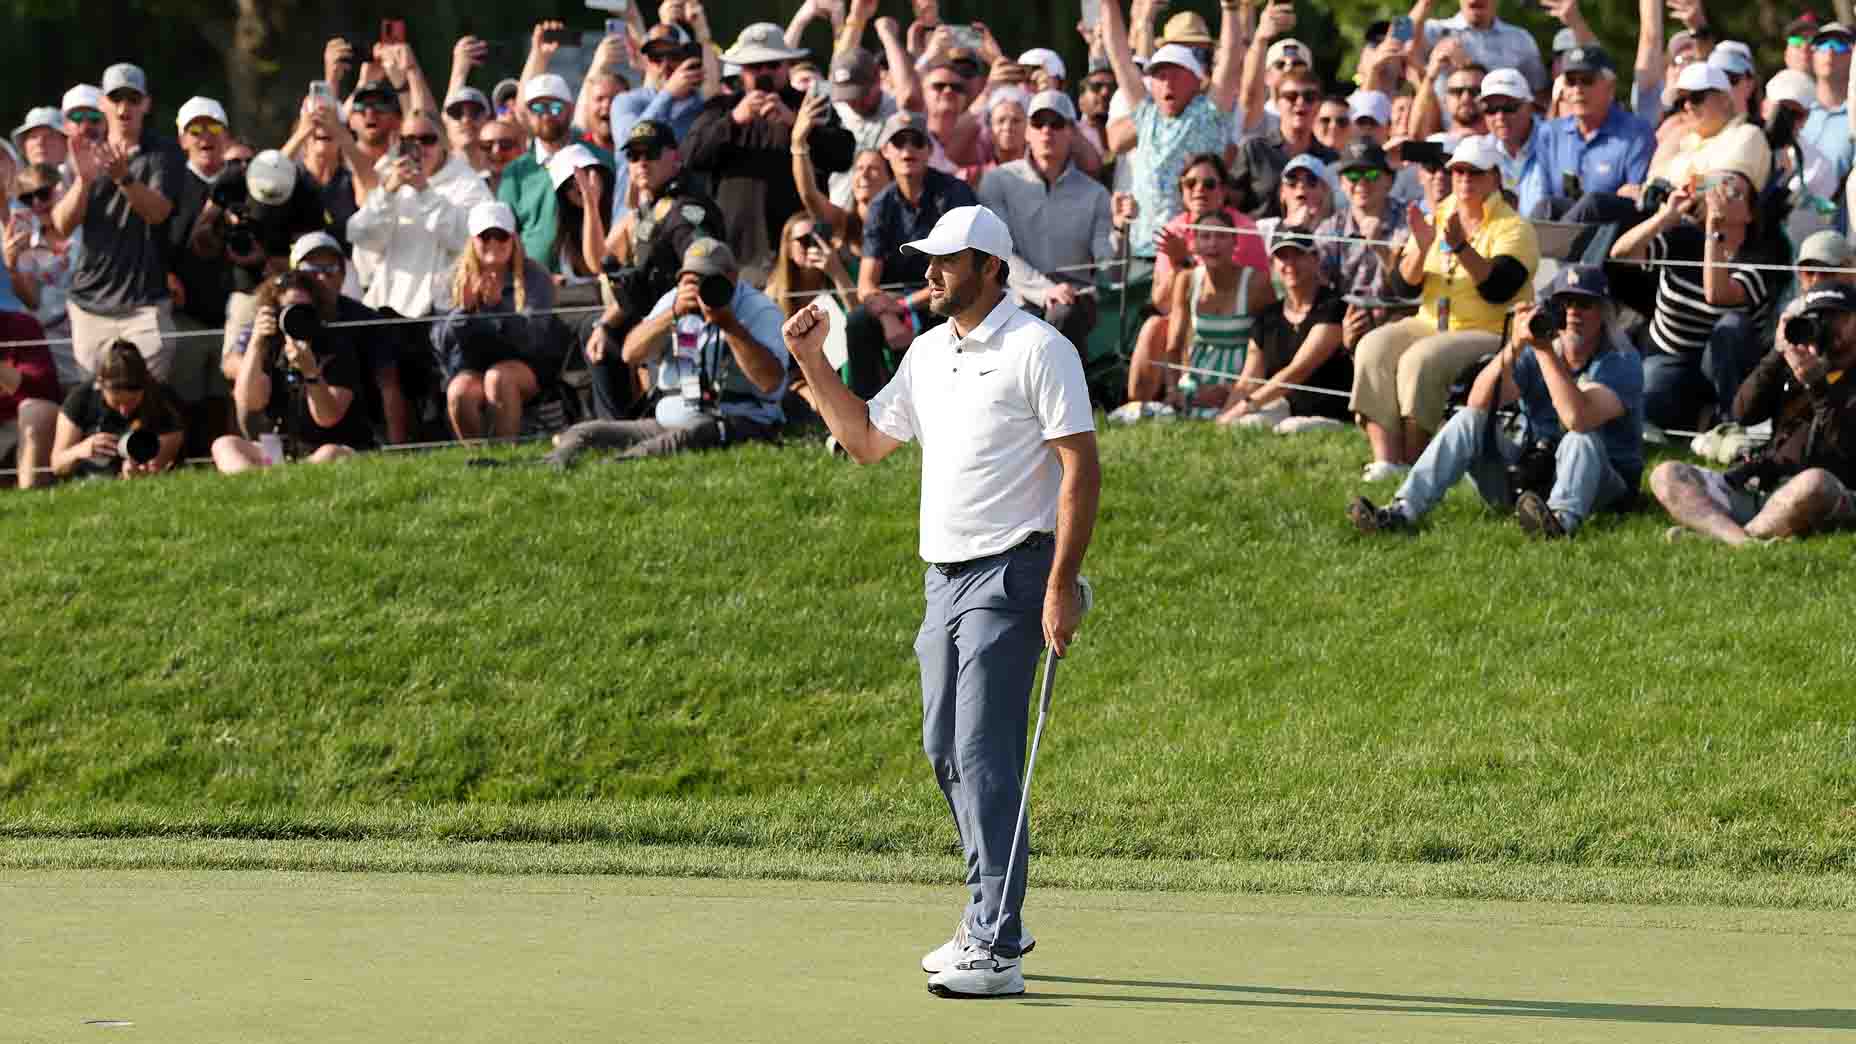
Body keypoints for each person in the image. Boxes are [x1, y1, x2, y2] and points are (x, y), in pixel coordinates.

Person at [779, 204, 1098, 999]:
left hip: (1013, 573)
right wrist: (813, 360)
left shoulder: (1040, 349)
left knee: (988, 758)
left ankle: (995, 946)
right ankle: (996, 910)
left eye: (947, 261)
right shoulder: (926, 353)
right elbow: (864, 443)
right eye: (929, 259)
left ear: (991, 268)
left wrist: (1061, 582)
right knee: (943, 751)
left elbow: (1081, 471)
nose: (930, 273)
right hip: (941, 578)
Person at [1350, 264, 1643, 537]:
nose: (1572, 314)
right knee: (1467, 419)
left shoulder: (1621, 361)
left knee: (1580, 439)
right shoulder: (1538, 350)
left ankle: (1560, 522)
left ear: (1604, 313)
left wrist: (1544, 353)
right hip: (1534, 472)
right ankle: (1403, 512)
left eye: (1584, 304)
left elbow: (1576, 418)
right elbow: (1479, 403)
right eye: (1563, 304)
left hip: (1603, 485)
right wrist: (1513, 348)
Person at [1351, 136, 1540, 481]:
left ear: (1494, 177)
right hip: (1429, 321)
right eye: (1458, 171)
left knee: (1421, 358)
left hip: (1490, 330)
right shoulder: (1437, 214)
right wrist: (1421, 248)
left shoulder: (1514, 227)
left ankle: (1415, 465)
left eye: (1474, 172)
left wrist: (1461, 247)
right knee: (1372, 346)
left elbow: (1499, 289)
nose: (1464, 179)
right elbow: (1402, 286)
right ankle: (1386, 460)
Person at [545, 237, 787, 465]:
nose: (699, 288)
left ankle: (616, 467)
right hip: (670, 417)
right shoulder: (675, 300)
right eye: (691, 279)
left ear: (732, 278)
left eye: (708, 279)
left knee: (691, 434)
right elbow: (630, 354)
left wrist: (730, 326)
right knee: (586, 431)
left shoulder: (759, 310)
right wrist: (672, 314)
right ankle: (552, 464)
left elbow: (771, 382)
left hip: (736, 419)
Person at [1653, 284, 1856, 545]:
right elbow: (1742, 414)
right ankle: (1743, 542)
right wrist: (1776, 354)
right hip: (1766, 487)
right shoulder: (1796, 362)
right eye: (1820, 317)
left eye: (1838, 316)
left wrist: (1816, 385)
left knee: (1813, 483)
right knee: (1667, 475)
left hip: (1830, 492)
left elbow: (1844, 447)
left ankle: (1726, 541)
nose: (1829, 326)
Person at [1609, 145, 1783, 434]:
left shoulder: (1760, 256)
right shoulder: (1683, 238)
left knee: (1732, 325)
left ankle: (1731, 424)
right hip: (1671, 358)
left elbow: (1717, 294)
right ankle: (1700, 419)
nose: (1724, 197)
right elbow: (1621, 254)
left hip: (1728, 364)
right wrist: (1666, 217)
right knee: (1651, 389)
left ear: (1751, 214)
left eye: (1736, 194)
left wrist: (1713, 231)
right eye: (1719, 188)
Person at [684, 23, 854, 280]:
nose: (764, 72)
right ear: (741, 71)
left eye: (773, 64)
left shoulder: (810, 104)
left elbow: (843, 155)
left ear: (787, 66)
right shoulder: (720, 108)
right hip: (738, 251)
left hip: (800, 251)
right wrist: (733, 120)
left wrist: (796, 124)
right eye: (754, 66)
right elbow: (690, 157)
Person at [52, 63, 183, 384]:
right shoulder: (83, 153)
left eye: (133, 99)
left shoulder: (164, 152)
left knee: (148, 397)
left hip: (146, 305)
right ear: (103, 104)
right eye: (116, 99)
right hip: (89, 305)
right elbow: (61, 225)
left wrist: (122, 177)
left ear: (146, 104)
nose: (124, 108)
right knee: (94, 402)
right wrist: (84, 181)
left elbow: (158, 212)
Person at [596, 119, 727, 420]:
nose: (642, 163)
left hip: (685, 324)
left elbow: (702, 260)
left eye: (651, 154)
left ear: (674, 156)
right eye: (633, 156)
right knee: (597, 333)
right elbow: (607, 261)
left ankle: (620, 425)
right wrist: (604, 324)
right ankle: (617, 422)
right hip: (651, 315)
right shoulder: (651, 206)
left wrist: (675, 311)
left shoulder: (686, 209)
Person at [841, 111, 977, 397]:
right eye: (899, 142)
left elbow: (962, 271)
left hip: (953, 294)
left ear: (928, 150)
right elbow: (867, 284)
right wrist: (889, 315)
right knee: (858, 322)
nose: (907, 150)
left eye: (916, 142)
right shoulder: (881, 205)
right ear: (886, 151)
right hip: (899, 302)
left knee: (955, 310)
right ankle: (867, 415)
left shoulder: (955, 193)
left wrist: (903, 308)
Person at [1098, 0, 1242, 264]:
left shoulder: (1209, 113)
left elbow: (1232, 62)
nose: (1166, 82)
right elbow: (1118, 55)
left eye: (1175, 73)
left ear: (1197, 78)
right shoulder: (1146, 114)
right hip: (1142, 249)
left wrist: (1231, 9)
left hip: (1194, 253)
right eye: (1159, 75)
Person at [1126, 152, 1271, 404]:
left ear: (1223, 190)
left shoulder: (1243, 229)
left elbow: (1247, 294)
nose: (1199, 190)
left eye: (1209, 184)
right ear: (1181, 189)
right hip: (1190, 319)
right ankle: (1139, 405)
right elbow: (1161, 303)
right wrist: (1179, 265)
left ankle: (1215, 393)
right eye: (1190, 183)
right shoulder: (1174, 229)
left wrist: (1186, 260)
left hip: (1236, 329)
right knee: (1153, 327)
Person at [977, 91, 1114, 353]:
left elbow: (1110, 268)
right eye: (1038, 123)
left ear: (1072, 132)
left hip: (1074, 299)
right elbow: (999, 252)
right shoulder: (997, 181)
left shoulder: (1096, 194)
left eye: (1056, 123)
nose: (1046, 131)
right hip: (1013, 294)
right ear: (1027, 131)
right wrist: (1045, 290)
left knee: (1061, 316)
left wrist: (1120, 227)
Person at [212, 267, 375, 473]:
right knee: (224, 445)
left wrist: (311, 372)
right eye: (288, 310)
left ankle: (280, 482)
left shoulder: (336, 345)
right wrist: (256, 343)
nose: (297, 317)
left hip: (333, 446)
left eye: (305, 310)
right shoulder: (267, 344)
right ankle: (256, 491)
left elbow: (327, 418)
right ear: (274, 311)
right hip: (281, 452)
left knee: (329, 454)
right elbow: (249, 401)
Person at [431, 202, 561, 439]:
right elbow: (440, 343)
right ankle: (480, 462)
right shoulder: (450, 278)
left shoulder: (535, 276)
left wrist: (497, 307)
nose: (493, 242)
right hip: (470, 366)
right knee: (460, 391)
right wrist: (464, 311)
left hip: (525, 364)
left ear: (512, 239)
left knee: (498, 377)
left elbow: (533, 339)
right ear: (473, 241)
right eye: (485, 236)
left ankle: (505, 459)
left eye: (500, 235)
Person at [1217, 225, 1351, 433]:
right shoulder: (1267, 316)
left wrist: (1246, 406)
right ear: (1272, 264)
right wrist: (1225, 416)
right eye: (1282, 257)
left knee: (1290, 429)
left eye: (1298, 255)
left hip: (1329, 411)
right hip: (1283, 407)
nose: (1290, 264)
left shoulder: (1333, 308)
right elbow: (1249, 378)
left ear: (1315, 260)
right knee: (1243, 427)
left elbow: (1298, 371)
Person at [499, 74, 613, 276]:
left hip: (596, 275)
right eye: (536, 108)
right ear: (526, 113)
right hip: (535, 285)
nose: (546, 115)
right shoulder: (515, 172)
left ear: (570, 110)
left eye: (555, 108)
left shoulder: (601, 159)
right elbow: (506, 234)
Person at [1536, 46, 1654, 209]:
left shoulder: (1636, 133)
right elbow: (1546, 201)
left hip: (1613, 230)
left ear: (1610, 87)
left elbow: (1636, 204)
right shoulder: (1549, 134)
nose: (1577, 90)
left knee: (1592, 204)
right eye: (1570, 82)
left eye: (1587, 80)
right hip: (1559, 229)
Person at [49, 339, 182, 480]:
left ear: (145, 385)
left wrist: (142, 468)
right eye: (116, 402)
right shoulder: (81, 398)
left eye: (132, 401)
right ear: (100, 384)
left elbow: (163, 458)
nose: (124, 410)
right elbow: (57, 465)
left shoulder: (161, 398)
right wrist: (80, 450)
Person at [1228, 68, 1337, 219]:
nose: (1300, 102)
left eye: (1309, 97)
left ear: (1319, 105)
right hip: (1259, 239)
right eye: (1291, 96)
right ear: (1278, 103)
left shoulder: (1331, 158)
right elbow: (1230, 207)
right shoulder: (1254, 149)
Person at [1468, 68, 1551, 216]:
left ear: (1530, 107)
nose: (1500, 116)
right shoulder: (1482, 151)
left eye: (1509, 107)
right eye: (1491, 109)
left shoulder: (1554, 143)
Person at [0, 286, 59, 488]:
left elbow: (44, 391)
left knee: (37, 411)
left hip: (17, 423)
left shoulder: (21, 325)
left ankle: (32, 495)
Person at [1801, 22, 1854, 193]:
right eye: (1822, 44)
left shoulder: (1854, 118)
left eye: (1840, 45)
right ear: (1812, 54)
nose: (1830, 52)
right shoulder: (1796, 110)